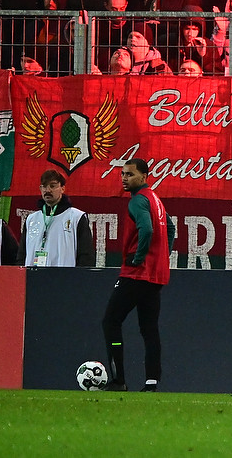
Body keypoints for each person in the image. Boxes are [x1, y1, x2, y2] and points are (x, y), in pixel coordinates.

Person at [101, 157, 168, 391]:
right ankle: (151, 381)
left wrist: (139, 258)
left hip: (136, 273)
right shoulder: (155, 199)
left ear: (144, 176)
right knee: (149, 328)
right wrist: (161, 255)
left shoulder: (138, 201)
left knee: (111, 321)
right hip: (155, 275)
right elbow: (170, 227)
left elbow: (147, 229)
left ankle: (119, 380)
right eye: (122, 174)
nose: (124, 178)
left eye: (129, 174)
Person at [24, 168, 95, 267]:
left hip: (65, 279)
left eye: (52, 186)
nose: (48, 190)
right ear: (40, 189)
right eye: (44, 186)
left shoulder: (76, 217)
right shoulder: (31, 219)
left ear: (62, 188)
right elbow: (22, 255)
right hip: (34, 278)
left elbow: (86, 255)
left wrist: (80, 280)